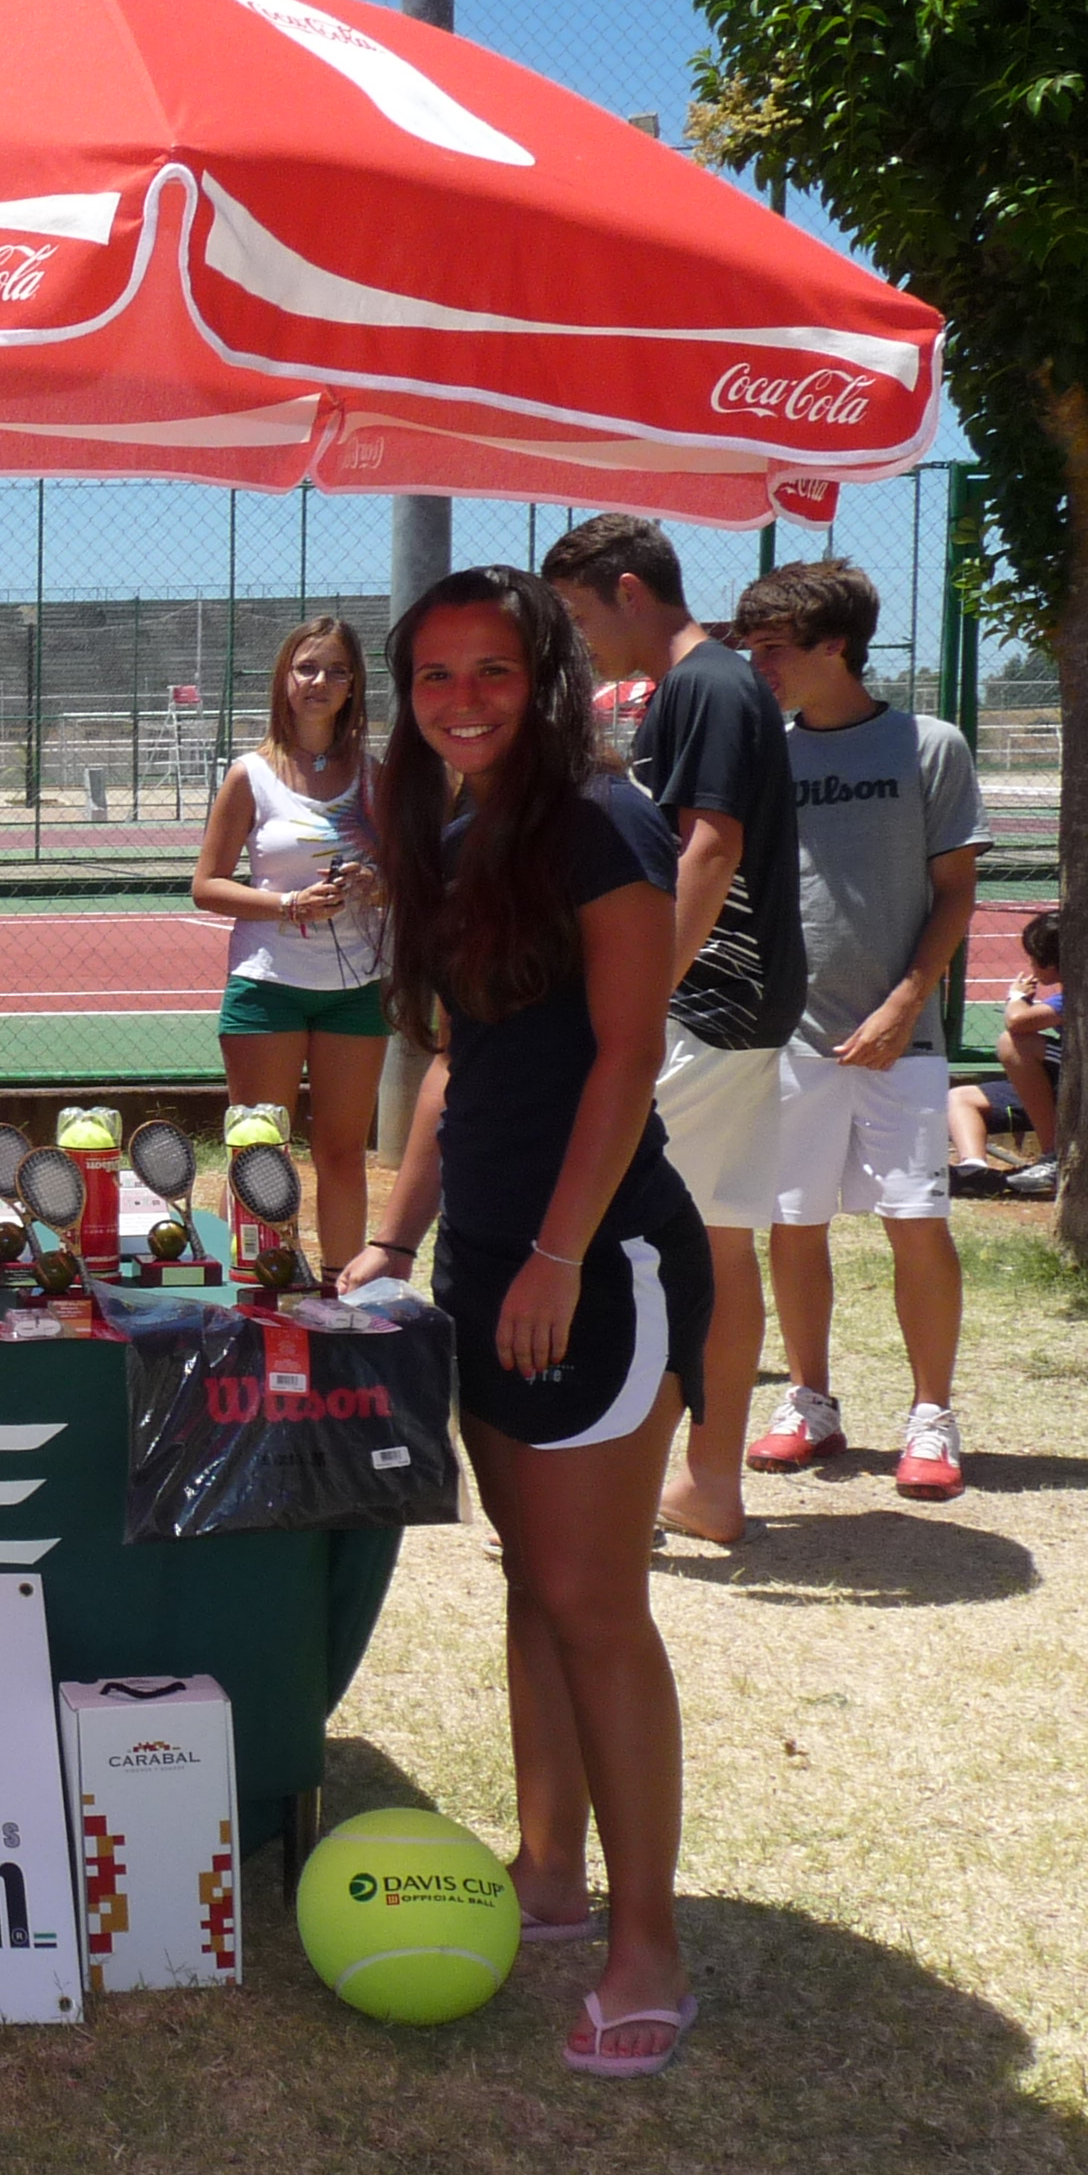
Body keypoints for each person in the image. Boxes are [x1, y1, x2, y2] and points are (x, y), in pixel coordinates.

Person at [340, 564, 708, 2078]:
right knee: (531, 1583)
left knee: (594, 1601)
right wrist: (392, 1237)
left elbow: (627, 1054)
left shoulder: (602, 823)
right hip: (487, 1261)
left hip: (598, 1266)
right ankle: (550, 1873)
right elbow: (455, 1059)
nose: (463, 701)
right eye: (434, 677)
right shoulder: (457, 830)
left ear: (546, 677)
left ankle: (649, 1947)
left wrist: (560, 1253)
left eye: (492, 670)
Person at [543, 514, 805, 1547]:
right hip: (733, 1007)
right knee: (716, 1244)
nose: (576, 638)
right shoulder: (709, 687)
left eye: (577, 613)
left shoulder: (705, 684)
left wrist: (641, 991)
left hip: (703, 1008)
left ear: (629, 590)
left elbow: (710, 847)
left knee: (631, 1242)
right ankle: (706, 1485)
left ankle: (619, 1491)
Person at [731, 562, 985, 1503]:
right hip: (786, 1037)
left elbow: (956, 892)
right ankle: (811, 1403)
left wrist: (905, 1002)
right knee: (793, 1224)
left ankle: (932, 1416)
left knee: (916, 1222)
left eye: (774, 649)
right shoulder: (762, 754)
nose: (758, 667)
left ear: (835, 646)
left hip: (898, 1039)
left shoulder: (930, 745)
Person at [191, 618, 388, 1266]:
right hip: (266, 986)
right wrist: (288, 905)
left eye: (336, 671)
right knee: (259, 1150)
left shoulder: (374, 777)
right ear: (284, 677)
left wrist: (375, 886)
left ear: (353, 685)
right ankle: (255, 1290)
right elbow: (207, 886)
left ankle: (339, 1293)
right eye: (307, 668)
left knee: (342, 1154)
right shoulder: (250, 775)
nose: (319, 682)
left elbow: (410, 881)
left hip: (355, 991)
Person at [945, 910, 1064, 1198]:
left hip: (1085, 1082)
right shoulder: (1063, 994)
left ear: (1052, 963)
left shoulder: (1085, 993)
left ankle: (1055, 1156)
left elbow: (1017, 1021)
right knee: (959, 1097)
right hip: (1053, 1086)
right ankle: (973, 1170)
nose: (1030, 965)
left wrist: (1017, 998)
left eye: (1033, 959)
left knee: (1012, 1043)